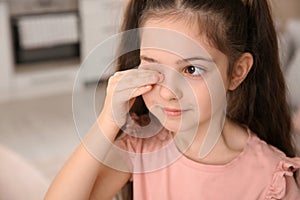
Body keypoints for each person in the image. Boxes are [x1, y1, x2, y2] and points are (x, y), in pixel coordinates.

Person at [45, 0, 300, 199]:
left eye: (191, 70)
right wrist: (108, 120)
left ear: (237, 72)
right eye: (153, 67)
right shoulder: (141, 147)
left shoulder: (270, 177)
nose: (167, 92)